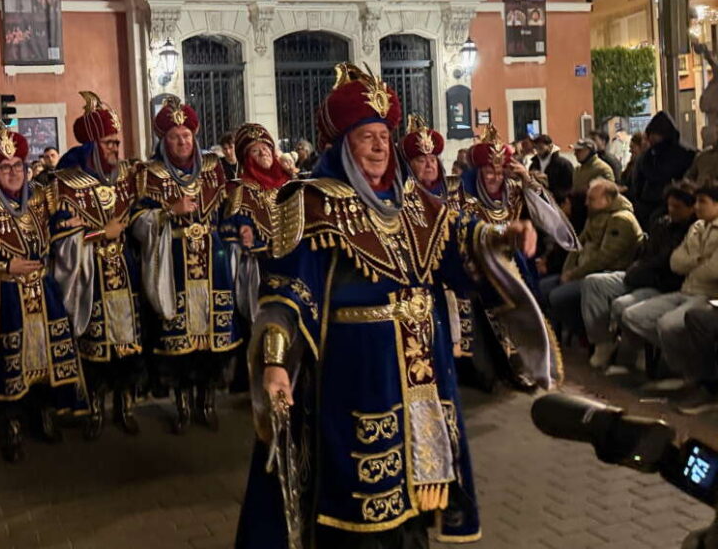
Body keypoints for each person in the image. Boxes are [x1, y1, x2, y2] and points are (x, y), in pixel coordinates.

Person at [236, 64, 555, 548]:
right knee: (360, 503)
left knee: (417, 498)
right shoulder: (311, 204)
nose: (380, 147)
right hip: (356, 380)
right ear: (344, 145)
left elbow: (460, 242)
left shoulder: (414, 203)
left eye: (384, 136)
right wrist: (276, 365)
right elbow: (285, 295)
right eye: (367, 137)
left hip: (425, 374)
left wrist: (500, 235)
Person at [0, 118, 85, 462]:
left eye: (18, 165)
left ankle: (44, 413)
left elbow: (55, 227)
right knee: (9, 362)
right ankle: (11, 424)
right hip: (4, 295)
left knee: (47, 357)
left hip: (43, 290)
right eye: (5, 167)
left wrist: (72, 225)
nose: (13, 172)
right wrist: (2, 266)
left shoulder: (40, 196)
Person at [132, 97, 240, 434]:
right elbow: (137, 221)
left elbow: (228, 213)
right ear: (164, 141)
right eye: (176, 136)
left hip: (213, 264)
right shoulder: (150, 174)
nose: (183, 142)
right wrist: (168, 212)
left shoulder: (213, 168)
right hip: (174, 264)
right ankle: (180, 403)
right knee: (177, 342)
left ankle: (206, 401)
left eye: (187, 135)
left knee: (211, 339)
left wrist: (238, 233)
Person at [50, 92, 143, 440]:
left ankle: (126, 405)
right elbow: (60, 240)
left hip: (126, 272)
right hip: (91, 277)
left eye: (117, 142)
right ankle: (94, 408)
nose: (114, 149)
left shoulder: (127, 178)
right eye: (107, 142)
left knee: (129, 344)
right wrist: (100, 234)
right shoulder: (67, 185)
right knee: (93, 346)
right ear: (92, 145)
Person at [457, 126, 578, 389]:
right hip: (479, 263)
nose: (495, 177)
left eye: (500, 171)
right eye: (490, 171)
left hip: (513, 264)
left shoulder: (513, 189)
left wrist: (527, 180)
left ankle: (527, 367)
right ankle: (488, 371)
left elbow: (549, 216)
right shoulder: (464, 195)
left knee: (526, 307)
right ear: (478, 171)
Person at [580, 181, 695, 370]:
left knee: (622, 306)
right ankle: (603, 342)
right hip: (639, 274)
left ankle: (635, 355)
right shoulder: (662, 224)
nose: (671, 210)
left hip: (660, 284)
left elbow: (667, 263)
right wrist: (637, 269)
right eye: (669, 205)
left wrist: (640, 270)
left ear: (691, 208)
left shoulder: (691, 231)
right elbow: (645, 253)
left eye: (677, 207)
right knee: (593, 282)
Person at [622, 179, 718, 385]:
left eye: (703, 201)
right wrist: (699, 260)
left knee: (669, 325)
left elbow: (713, 271)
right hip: (685, 289)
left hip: (708, 295)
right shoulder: (697, 227)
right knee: (633, 315)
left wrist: (692, 262)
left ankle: (689, 375)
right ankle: (680, 362)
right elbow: (676, 262)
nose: (698, 206)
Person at [541, 178, 643, 340]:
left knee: (558, 297)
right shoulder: (594, 217)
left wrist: (573, 275)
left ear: (608, 200)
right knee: (542, 287)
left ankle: (587, 335)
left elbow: (604, 258)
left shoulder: (621, 220)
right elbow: (576, 247)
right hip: (582, 271)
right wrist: (567, 272)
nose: (586, 203)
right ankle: (551, 339)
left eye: (591, 199)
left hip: (604, 275)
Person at [221, 123, 291, 321]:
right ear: (246, 158)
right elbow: (234, 237)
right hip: (261, 272)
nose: (263, 153)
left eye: (266, 147)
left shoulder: (292, 184)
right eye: (255, 150)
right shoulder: (240, 192)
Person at [631, 111, 696, 229]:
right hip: (662, 205)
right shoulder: (685, 153)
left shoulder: (647, 157)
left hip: (658, 205)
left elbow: (637, 183)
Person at [529, 133, 574, 199]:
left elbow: (569, 188)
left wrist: (549, 185)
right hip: (539, 202)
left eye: (541, 147)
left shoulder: (563, 164)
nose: (538, 151)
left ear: (550, 146)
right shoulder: (534, 165)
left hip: (557, 203)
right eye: (536, 147)